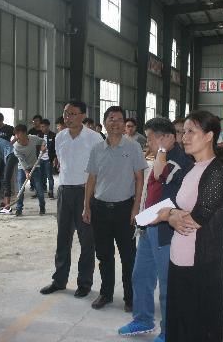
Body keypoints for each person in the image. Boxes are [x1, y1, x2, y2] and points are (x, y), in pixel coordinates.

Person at [151, 111, 223, 342]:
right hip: (180, 259)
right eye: (183, 132)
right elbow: (181, 208)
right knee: (179, 325)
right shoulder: (194, 167)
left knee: (197, 328)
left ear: (209, 136)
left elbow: (195, 219)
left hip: (200, 266)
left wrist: (167, 215)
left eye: (190, 131)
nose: (184, 137)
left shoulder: (216, 172)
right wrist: (172, 214)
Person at [118, 118, 193, 342]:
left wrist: (161, 149)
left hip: (166, 232)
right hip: (149, 226)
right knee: (141, 276)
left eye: (150, 138)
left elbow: (160, 174)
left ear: (165, 138)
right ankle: (142, 319)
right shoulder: (162, 155)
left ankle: (169, 331)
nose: (147, 143)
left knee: (167, 284)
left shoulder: (180, 160)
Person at [83, 106, 148, 311]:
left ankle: (130, 297)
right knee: (104, 255)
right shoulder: (96, 149)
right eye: (111, 119)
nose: (115, 123)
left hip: (124, 209)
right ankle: (106, 293)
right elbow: (91, 180)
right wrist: (86, 207)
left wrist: (136, 208)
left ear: (124, 124)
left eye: (119, 119)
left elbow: (139, 179)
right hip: (100, 209)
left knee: (129, 256)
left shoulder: (133, 147)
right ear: (104, 123)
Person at [40, 100, 102, 298]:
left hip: (86, 192)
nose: (68, 117)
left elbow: (100, 168)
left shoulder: (94, 138)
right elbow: (61, 163)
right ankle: (59, 280)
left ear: (83, 116)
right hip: (64, 191)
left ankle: (84, 283)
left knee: (87, 240)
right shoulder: (60, 137)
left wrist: (91, 199)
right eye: (66, 113)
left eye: (73, 114)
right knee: (63, 239)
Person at [12, 124, 47, 216]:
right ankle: (19, 209)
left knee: (39, 188)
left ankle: (42, 207)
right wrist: (26, 171)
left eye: (18, 134)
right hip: (22, 168)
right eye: (16, 134)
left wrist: (43, 146)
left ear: (25, 133)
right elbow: (21, 160)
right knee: (21, 188)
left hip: (35, 166)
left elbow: (43, 140)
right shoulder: (16, 146)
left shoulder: (33, 138)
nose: (17, 136)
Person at [37, 119, 56, 199]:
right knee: (41, 176)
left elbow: (55, 148)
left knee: (49, 176)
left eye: (43, 126)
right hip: (40, 159)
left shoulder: (53, 135)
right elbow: (37, 146)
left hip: (49, 159)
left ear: (48, 126)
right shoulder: (39, 135)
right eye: (41, 127)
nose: (42, 128)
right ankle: (41, 190)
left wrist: (55, 158)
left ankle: (51, 191)